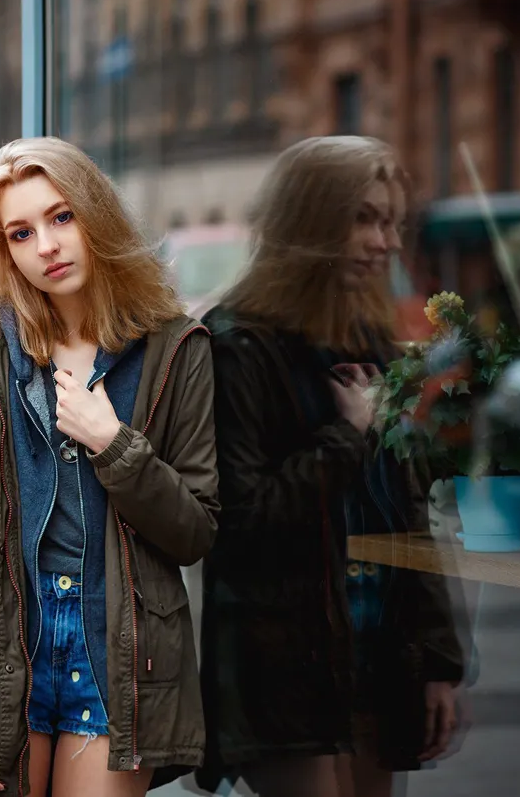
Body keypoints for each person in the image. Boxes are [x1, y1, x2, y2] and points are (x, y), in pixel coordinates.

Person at [0, 137, 219, 796]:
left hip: (117, 649)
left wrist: (115, 444)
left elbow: (196, 531)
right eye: (20, 233)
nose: (45, 246)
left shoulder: (174, 349)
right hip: (3, 644)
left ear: (95, 214)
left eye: (61, 217)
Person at [195, 136, 469, 797]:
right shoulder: (239, 347)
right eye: (365, 218)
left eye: (391, 222)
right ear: (310, 221)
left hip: (378, 650)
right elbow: (243, 522)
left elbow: (406, 512)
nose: (385, 241)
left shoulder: (367, 343)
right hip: (287, 660)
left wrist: (437, 660)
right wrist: (346, 435)